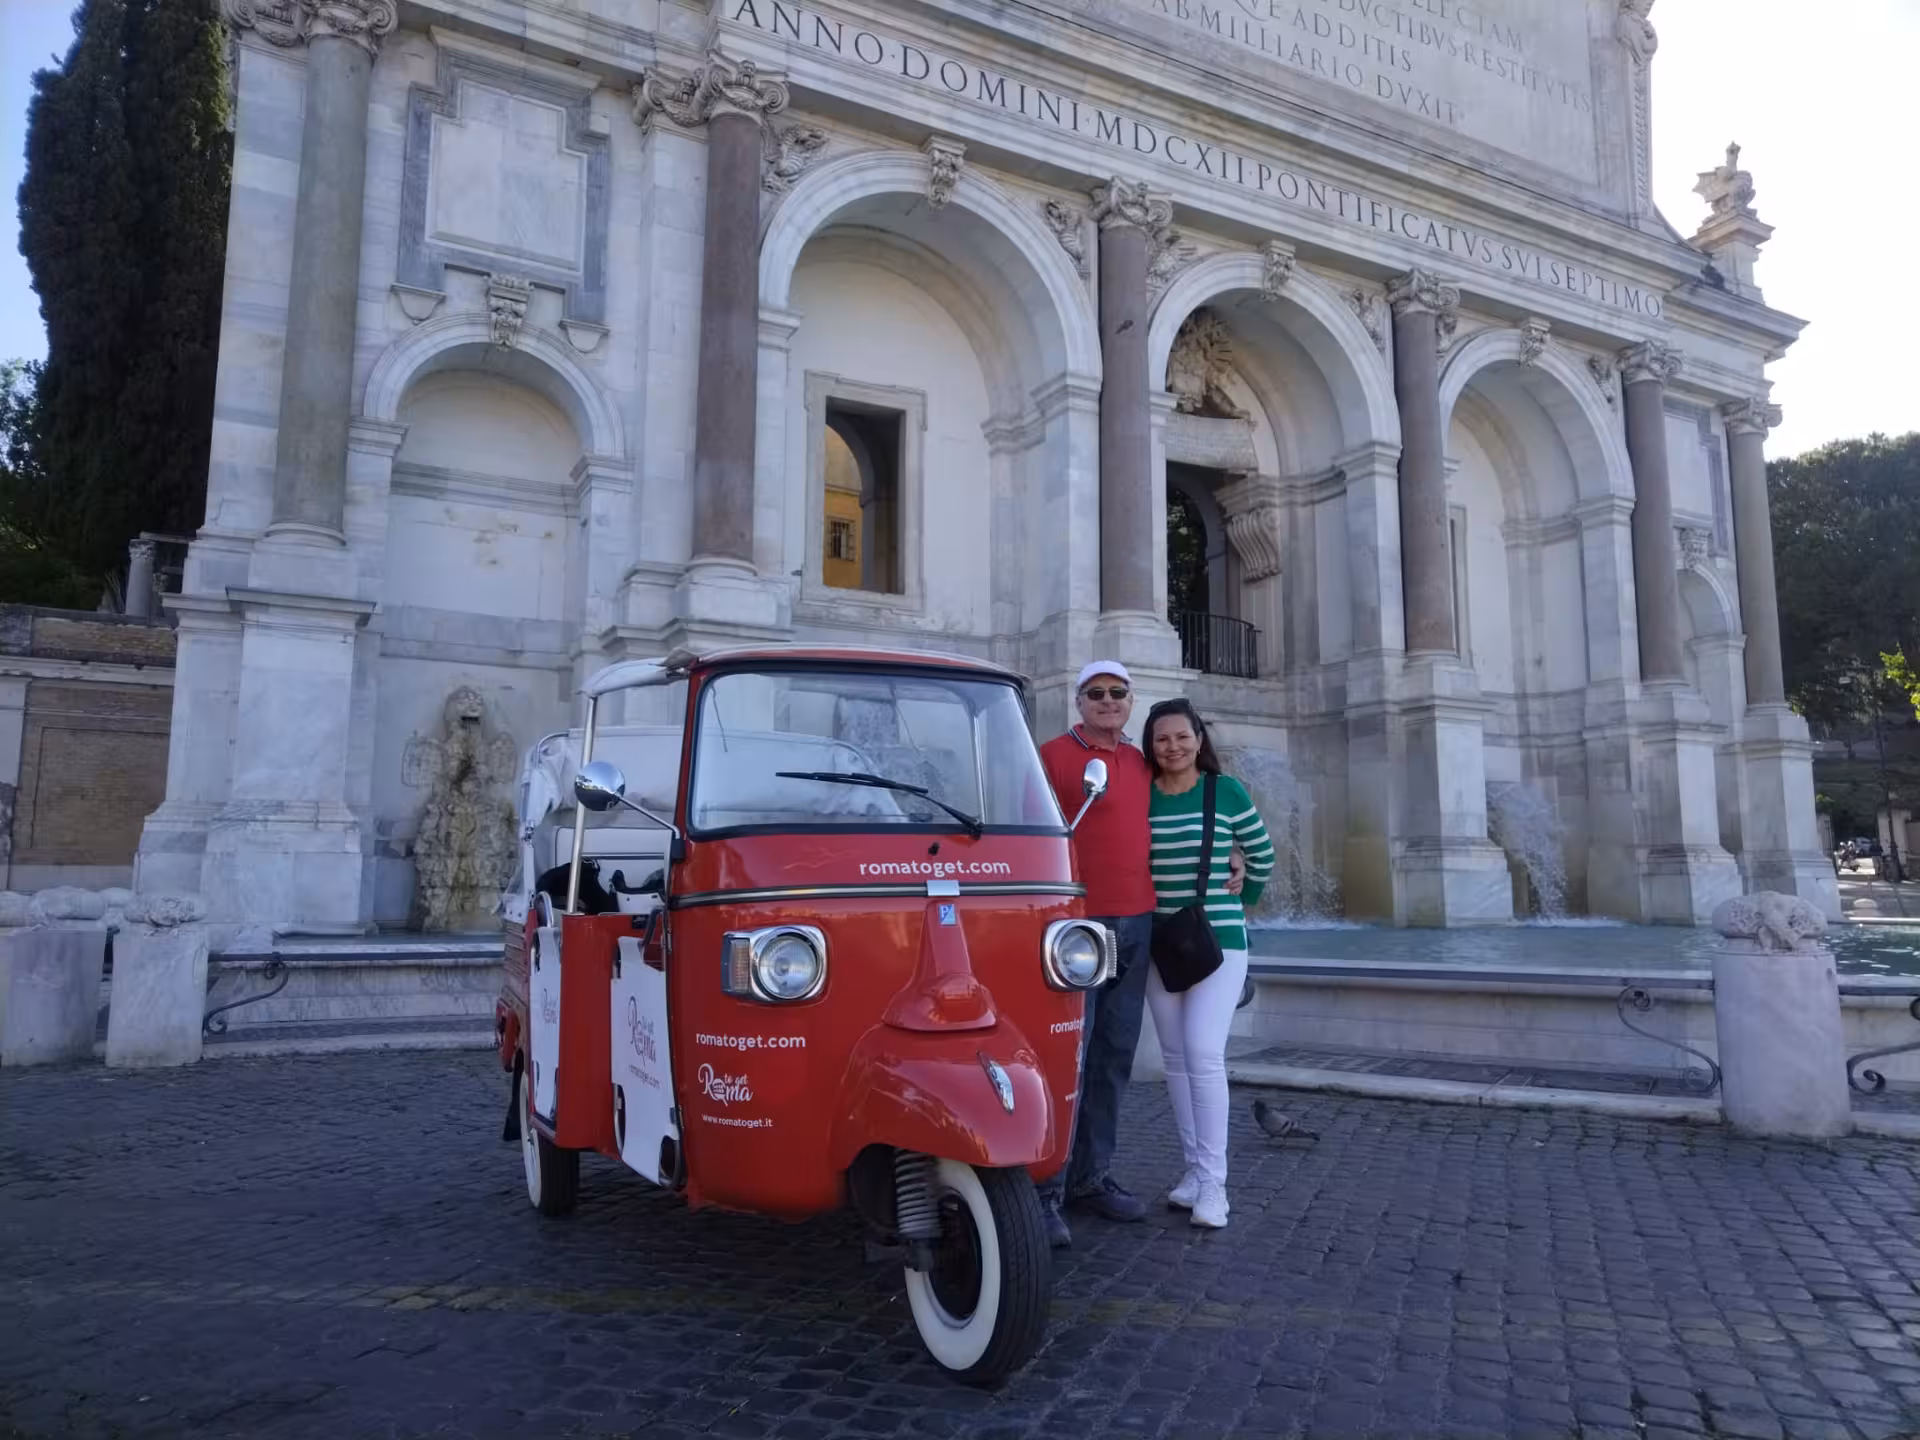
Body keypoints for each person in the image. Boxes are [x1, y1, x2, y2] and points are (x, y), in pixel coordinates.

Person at [1033, 660, 1241, 1247]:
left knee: (1114, 1056)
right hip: (1075, 927)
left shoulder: (1141, 762)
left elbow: (1192, 810)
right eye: (1095, 693)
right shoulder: (1051, 757)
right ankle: (1046, 1188)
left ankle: (1091, 1179)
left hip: (1137, 926)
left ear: (1129, 702)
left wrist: (1235, 859)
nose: (1106, 701)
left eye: (1117, 693)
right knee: (1067, 1056)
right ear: (1079, 701)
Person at [1142, 697, 1275, 1230]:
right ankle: (1195, 1172)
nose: (1172, 746)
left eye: (1182, 736)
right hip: (1159, 939)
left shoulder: (1225, 791)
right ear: (1150, 746)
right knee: (1174, 1059)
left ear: (1200, 739)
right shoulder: (1141, 796)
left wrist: (1242, 898)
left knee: (1202, 1052)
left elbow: (1261, 851)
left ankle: (1215, 1187)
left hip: (1217, 939)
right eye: (1161, 738)